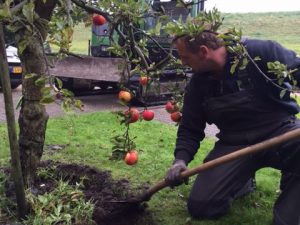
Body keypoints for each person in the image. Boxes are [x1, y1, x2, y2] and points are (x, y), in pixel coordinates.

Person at [165, 30, 300, 225]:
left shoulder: (260, 52)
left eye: (186, 57)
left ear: (203, 51)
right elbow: (190, 128)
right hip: (235, 145)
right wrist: (180, 160)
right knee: (202, 206)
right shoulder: (198, 83)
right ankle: (243, 181)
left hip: (281, 132)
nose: (184, 63)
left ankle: (289, 209)